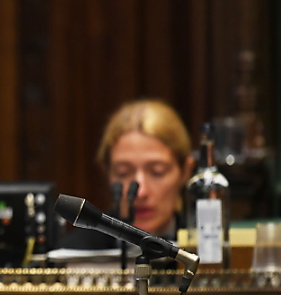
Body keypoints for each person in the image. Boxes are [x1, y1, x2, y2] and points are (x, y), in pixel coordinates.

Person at [57, 99, 195, 252]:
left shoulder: (208, 249)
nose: (140, 192)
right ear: (107, 172)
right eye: (123, 173)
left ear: (185, 172)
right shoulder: (73, 253)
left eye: (157, 172)